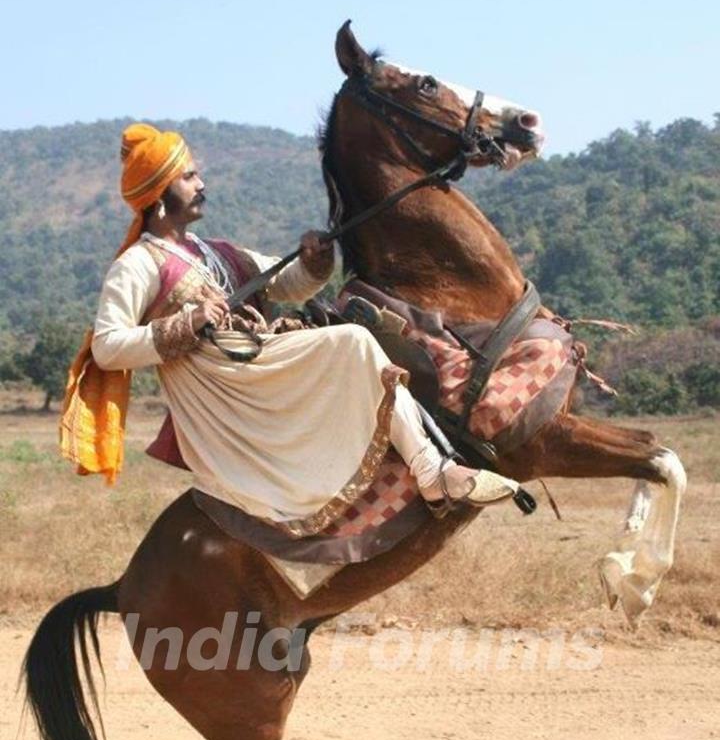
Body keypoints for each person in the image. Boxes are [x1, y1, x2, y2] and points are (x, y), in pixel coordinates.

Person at [65, 122, 521, 537]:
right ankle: (431, 472)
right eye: (188, 177)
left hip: (261, 368)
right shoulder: (136, 265)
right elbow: (108, 348)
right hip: (228, 395)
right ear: (159, 193)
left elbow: (290, 284)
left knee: (367, 327)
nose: (201, 184)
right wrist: (187, 323)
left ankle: (434, 461)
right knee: (354, 342)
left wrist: (315, 259)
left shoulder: (217, 251)